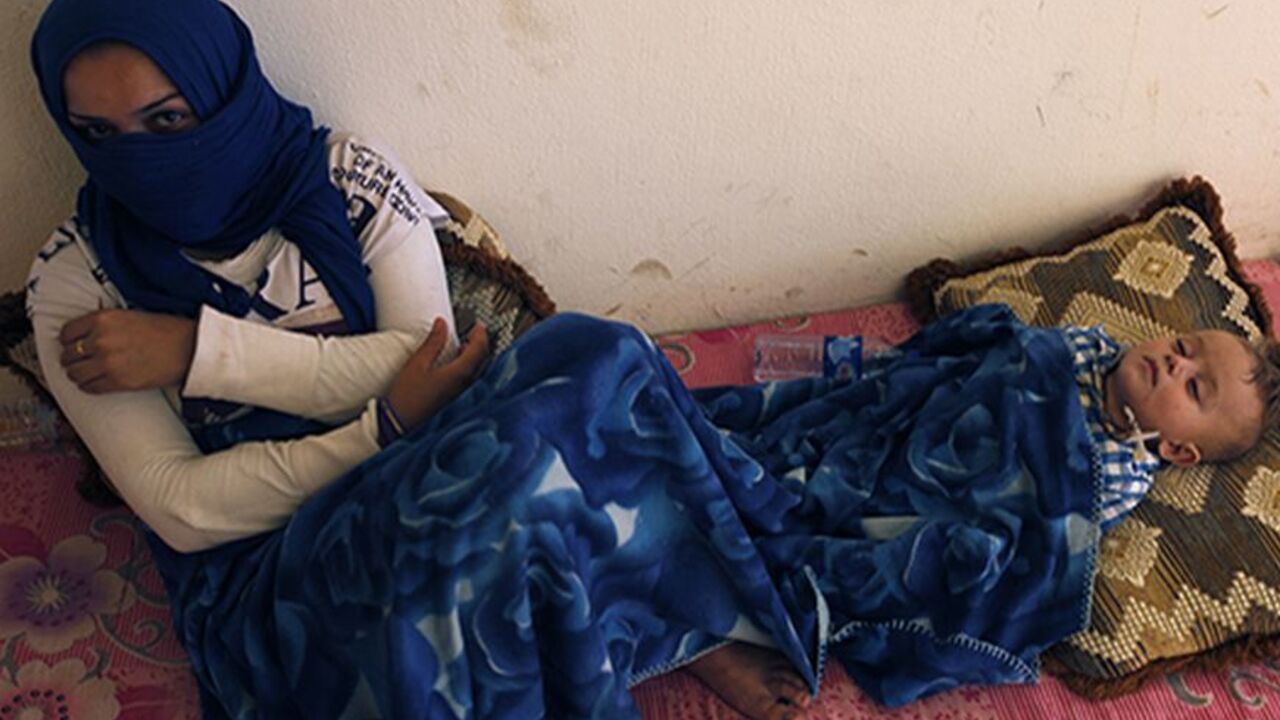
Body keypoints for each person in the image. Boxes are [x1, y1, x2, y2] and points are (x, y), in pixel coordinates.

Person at [24, 2, 1280, 719]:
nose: (143, 155)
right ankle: (672, 628)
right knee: (514, 486)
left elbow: (433, 364)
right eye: (100, 135)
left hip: (410, 452)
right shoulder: (74, 279)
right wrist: (385, 422)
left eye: (171, 120)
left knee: (584, 366)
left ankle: (679, 628)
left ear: (224, 88)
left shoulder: (346, 180)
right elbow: (187, 516)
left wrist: (202, 352)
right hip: (281, 577)